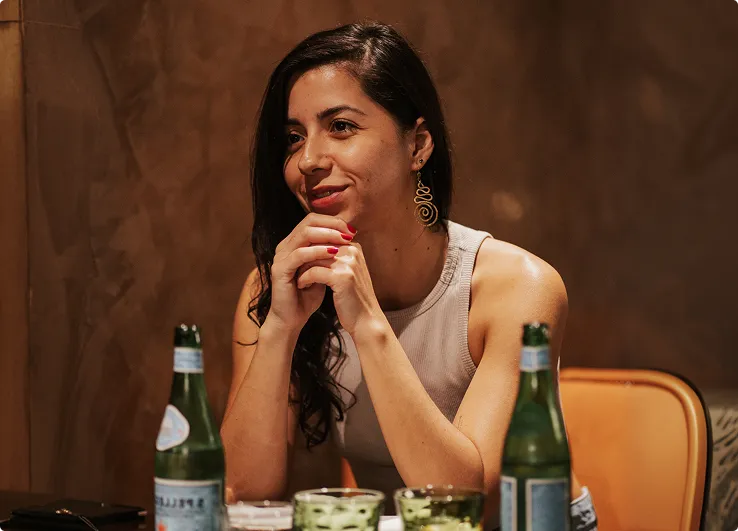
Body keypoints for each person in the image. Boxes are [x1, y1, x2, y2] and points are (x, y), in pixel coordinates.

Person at [221, 21, 597, 530]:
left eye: (341, 127)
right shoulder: (279, 287)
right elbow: (240, 493)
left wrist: (368, 325)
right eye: (293, 138)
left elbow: (467, 506)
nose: (307, 161)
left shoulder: (518, 288)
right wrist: (281, 328)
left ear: (418, 145)